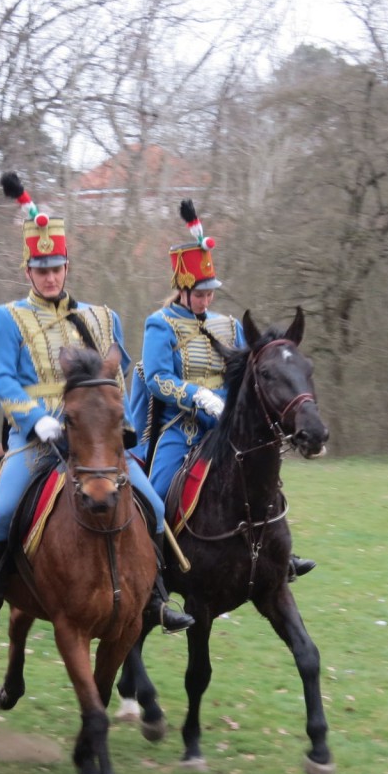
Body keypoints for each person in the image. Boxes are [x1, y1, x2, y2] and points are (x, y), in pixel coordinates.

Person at [0, 172, 194, 637]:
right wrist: (34, 421)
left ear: (67, 268)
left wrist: (117, 426)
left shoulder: (102, 318)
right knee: (2, 508)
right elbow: (1, 378)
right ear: (28, 271)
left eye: (56, 267)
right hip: (37, 440)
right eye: (41, 268)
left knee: (151, 502)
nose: (49, 275)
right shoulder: (8, 318)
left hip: (95, 440)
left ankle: (158, 598)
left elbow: (116, 381)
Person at [132, 198, 315, 582]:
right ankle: (154, 578)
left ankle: (280, 555)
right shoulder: (160, 324)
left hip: (224, 428)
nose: (206, 299)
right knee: (157, 497)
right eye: (199, 293)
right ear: (182, 289)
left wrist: (235, 405)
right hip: (179, 430)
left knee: (263, 483)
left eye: (210, 292)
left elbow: (245, 377)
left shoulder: (228, 326)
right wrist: (197, 395)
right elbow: (157, 379)